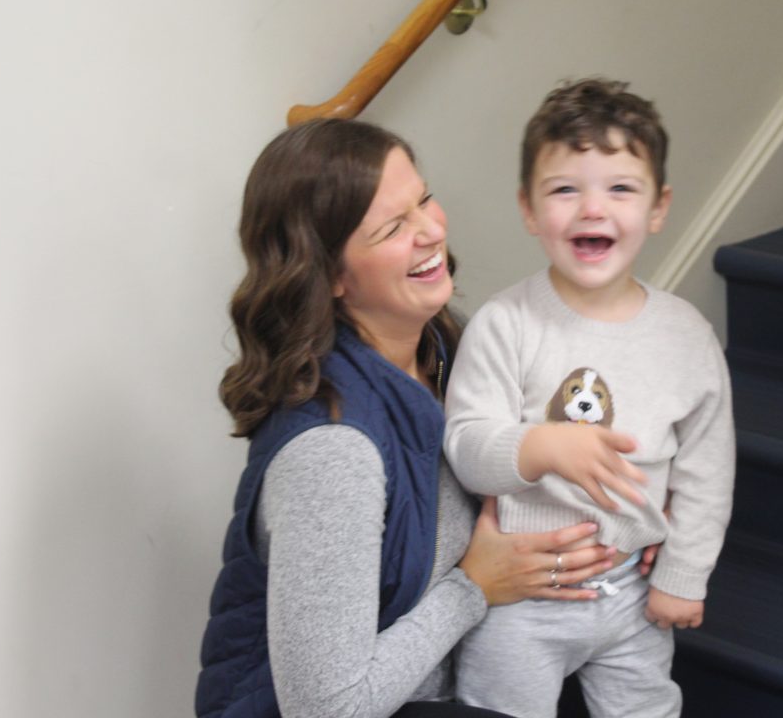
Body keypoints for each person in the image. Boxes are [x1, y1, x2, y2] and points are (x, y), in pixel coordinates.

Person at [195, 118, 621, 718]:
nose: (431, 231)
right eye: (393, 228)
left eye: (423, 199)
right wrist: (473, 587)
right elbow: (325, 708)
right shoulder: (332, 452)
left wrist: (633, 520)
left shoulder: (448, 348)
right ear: (333, 277)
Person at [443, 79, 737, 718]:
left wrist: (682, 575)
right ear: (529, 208)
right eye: (565, 189)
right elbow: (466, 446)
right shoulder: (505, 323)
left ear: (658, 208)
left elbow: (706, 470)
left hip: (632, 593)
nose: (592, 210)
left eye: (621, 189)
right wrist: (539, 445)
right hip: (521, 596)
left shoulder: (686, 336)